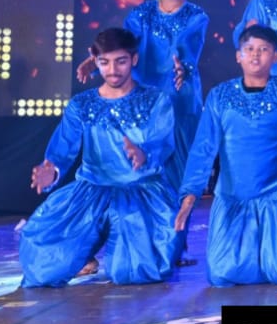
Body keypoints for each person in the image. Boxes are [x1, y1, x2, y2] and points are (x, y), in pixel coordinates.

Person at [21, 28, 177, 287]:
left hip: (140, 191)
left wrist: (144, 154)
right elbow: (62, 148)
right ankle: (83, 254)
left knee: (134, 272)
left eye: (120, 61)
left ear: (134, 59)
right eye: (104, 62)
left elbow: (163, 142)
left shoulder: (155, 100)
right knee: (44, 267)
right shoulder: (82, 104)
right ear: (95, 61)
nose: (112, 70)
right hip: (91, 190)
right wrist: (52, 170)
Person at [175, 25, 277, 286]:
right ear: (238, 56)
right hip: (234, 197)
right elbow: (204, 148)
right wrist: (190, 195)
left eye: (263, 49)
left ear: (275, 56)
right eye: (249, 49)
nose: (255, 55)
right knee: (223, 274)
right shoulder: (220, 95)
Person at [74, 0, 207, 194]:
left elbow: (188, 46)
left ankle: (178, 214)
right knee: (140, 160)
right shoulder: (141, 14)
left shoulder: (196, 16)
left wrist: (182, 68)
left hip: (178, 94)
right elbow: (124, 45)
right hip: (144, 96)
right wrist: (97, 60)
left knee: (178, 160)